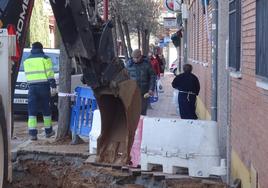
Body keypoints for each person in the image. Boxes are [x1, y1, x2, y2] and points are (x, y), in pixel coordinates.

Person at [23, 42, 57, 140]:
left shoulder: (27, 60)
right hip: (44, 87)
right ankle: (48, 132)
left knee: (32, 112)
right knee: (46, 109)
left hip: (32, 88)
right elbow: (50, 73)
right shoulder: (45, 58)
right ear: (41, 48)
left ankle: (33, 134)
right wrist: (53, 85)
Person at [126, 49, 156, 115]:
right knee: (133, 112)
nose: (135, 59)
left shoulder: (147, 64)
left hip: (144, 93)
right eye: (134, 58)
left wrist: (151, 89)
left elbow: (153, 76)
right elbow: (125, 78)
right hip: (132, 93)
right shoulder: (128, 65)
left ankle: (141, 124)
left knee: (142, 112)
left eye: (137, 58)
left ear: (140, 56)